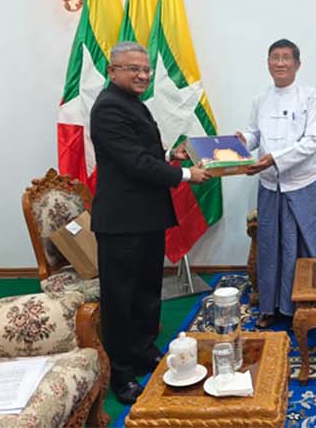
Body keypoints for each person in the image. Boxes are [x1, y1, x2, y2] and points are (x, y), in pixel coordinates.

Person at [90, 41, 209, 403]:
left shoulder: (131, 103)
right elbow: (133, 164)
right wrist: (186, 174)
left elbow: (142, 154)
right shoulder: (108, 107)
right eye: (133, 69)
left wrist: (169, 155)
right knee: (120, 300)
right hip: (122, 222)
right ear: (113, 71)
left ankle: (143, 352)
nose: (143, 74)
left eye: (146, 69)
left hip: (146, 217)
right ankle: (121, 372)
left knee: (145, 292)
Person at [236, 38, 316, 329]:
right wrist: (242, 143)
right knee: (270, 247)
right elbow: (254, 135)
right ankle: (269, 306)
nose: (280, 63)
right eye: (274, 57)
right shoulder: (261, 98)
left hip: (302, 183)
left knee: (302, 246)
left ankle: (304, 306)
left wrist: (274, 159)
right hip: (269, 185)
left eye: (286, 58)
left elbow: (313, 141)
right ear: (268, 63)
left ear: (297, 64)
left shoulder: (312, 97)